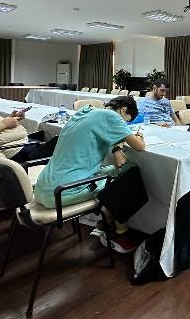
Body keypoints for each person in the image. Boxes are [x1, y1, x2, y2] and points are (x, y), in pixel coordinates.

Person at [34, 95, 145, 252]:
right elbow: (139, 146)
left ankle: (106, 222)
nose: (125, 124)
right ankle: (120, 233)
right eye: (126, 121)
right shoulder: (112, 116)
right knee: (129, 173)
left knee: (118, 169)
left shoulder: (84, 112)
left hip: (43, 187)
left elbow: (112, 135)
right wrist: (139, 137)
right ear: (123, 110)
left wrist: (116, 147)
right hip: (62, 192)